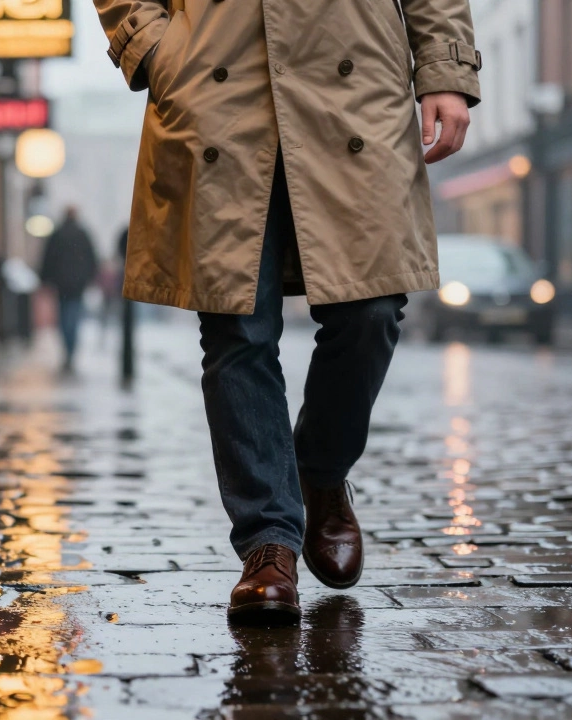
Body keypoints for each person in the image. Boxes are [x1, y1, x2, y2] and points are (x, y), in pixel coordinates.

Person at [95, 0, 479, 625]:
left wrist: (444, 69)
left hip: (356, 84)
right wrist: (158, 50)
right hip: (218, 81)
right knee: (236, 326)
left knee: (372, 308)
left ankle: (321, 471)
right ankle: (268, 542)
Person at [40, 207, 99, 371]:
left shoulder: (57, 234)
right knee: (73, 318)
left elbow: (47, 258)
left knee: (64, 317)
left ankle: (68, 350)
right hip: (77, 285)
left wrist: (45, 279)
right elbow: (92, 259)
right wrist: (90, 278)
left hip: (61, 285)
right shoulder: (83, 234)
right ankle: (71, 351)